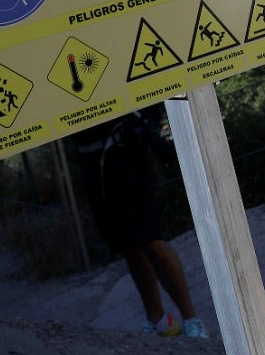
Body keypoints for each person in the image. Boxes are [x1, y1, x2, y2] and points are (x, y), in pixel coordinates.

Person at [72, 108, 209, 339]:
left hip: (126, 149)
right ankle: (157, 320)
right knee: (128, 246)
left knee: (151, 241)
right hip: (90, 158)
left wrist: (147, 120)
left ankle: (192, 320)